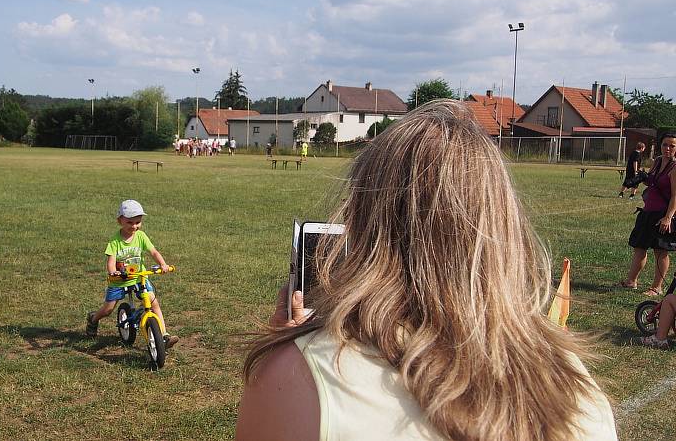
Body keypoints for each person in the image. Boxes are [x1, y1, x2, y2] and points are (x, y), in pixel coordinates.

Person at [237, 100, 616, 441]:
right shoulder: (576, 384)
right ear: (503, 225)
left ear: (362, 219)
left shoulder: (303, 378)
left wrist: (290, 356)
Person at [86, 199, 179, 348]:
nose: (134, 226)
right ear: (120, 221)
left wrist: (163, 264)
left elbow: (153, 251)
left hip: (138, 277)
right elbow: (111, 261)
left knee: (153, 302)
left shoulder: (141, 236)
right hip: (119, 280)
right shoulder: (115, 241)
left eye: (138, 222)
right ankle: (93, 318)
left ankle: (164, 335)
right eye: (130, 222)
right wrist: (113, 272)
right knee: (108, 309)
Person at [620, 134, 676, 296]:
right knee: (640, 246)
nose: (668, 149)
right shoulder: (658, 161)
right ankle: (631, 281)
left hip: (663, 214)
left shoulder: (674, 168)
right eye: (665, 145)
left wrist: (668, 218)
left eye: (672, 146)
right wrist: (642, 178)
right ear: (661, 145)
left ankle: (657, 287)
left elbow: (674, 196)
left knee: (660, 251)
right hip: (648, 211)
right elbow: (651, 182)